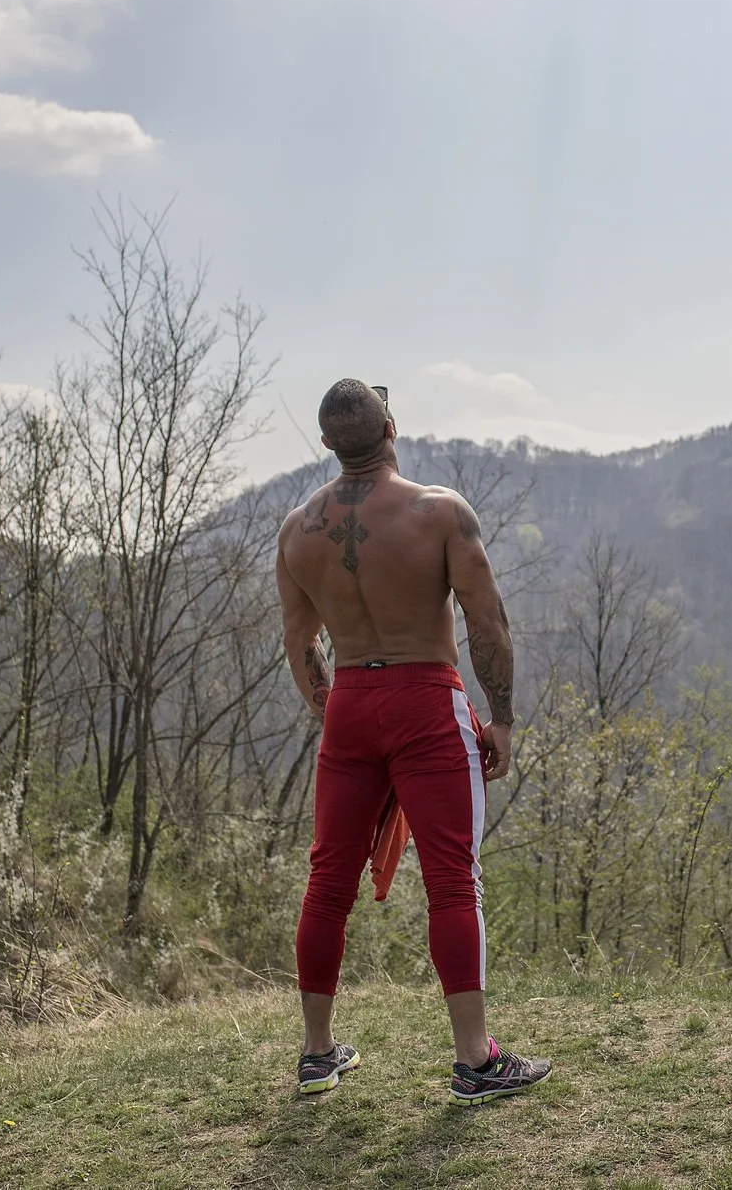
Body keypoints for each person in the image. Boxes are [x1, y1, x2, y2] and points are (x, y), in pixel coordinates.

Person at [275, 378, 553, 1105]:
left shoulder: (297, 530)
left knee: (328, 879)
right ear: (392, 427)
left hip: (351, 706)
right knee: (453, 879)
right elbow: (488, 626)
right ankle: (475, 1061)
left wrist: (335, 708)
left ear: (329, 444)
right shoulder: (438, 512)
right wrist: (504, 718)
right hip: (426, 698)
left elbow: (300, 640)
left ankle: (316, 1054)